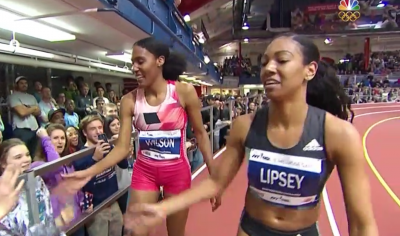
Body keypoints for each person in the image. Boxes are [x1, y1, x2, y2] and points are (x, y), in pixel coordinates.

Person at [122, 34, 378, 235]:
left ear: (310, 70)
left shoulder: (338, 134)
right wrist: (162, 207)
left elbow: (362, 225)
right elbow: (215, 183)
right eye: (264, 62)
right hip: (251, 230)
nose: (268, 68)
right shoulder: (244, 125)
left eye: (282, 60)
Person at [61, 37, 216, 236]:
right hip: (146, 172)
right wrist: (88, 172)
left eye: (140, 61)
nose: (134, 68)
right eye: (132, 62)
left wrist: (214, 176)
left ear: (159, 60)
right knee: (136, 232)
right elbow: (122, 148)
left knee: (176, 233)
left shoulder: (182, 92)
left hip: (177, 171)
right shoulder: (129, 100)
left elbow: (201, 134)